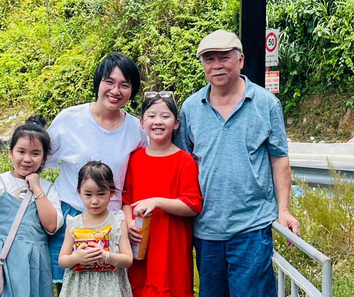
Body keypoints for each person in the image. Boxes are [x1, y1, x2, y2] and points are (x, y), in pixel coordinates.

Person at [174, 29, 300, 297]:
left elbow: (279, 159)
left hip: (252, 227)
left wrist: (284, 210)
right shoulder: (191, 107)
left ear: (240, 60)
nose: (216, 65)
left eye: (223, 57)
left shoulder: (266, 103)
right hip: (206, 228)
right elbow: (181, 163)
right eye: (209, 59)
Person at [46, 53, 148, 290]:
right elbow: (38, 160)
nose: (115, 90)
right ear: (98, 83)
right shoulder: (70, 119)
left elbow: (140, 176)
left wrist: (131, 216)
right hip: (72, 215)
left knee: (108, 286)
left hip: (112, 221)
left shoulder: (136, 129)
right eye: (109, 82)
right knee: (70, 286)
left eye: (124, 85)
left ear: (132, 90)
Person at [0, 115, 62, 297]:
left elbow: (51, 226)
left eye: (35, 153)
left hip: (35, 264)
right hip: (3, 262)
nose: (27, 159)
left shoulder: (49, 189)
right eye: (21, 152)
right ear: (11, 152)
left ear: (43, 158)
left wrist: (37, 189)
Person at [122, 91, 203, 297]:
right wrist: (128, 222)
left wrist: (157, 202)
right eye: (151, 116)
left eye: (165, 116)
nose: (158, 121)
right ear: (142, 123)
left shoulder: (184, 160)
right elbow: (126, 200)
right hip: (140, 244)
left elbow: (193, 205)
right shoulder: (134, 158)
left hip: (171, 245)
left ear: (176, 123)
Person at [58, 161, 134, 297]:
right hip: (79, 288)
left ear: (111, 193)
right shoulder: (74, 223)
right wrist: (77, 257)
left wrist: (106, 256)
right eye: (88, 194)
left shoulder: (117, 222)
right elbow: (63, 260)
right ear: (79, 192)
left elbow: (128, 259)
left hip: (110, 287)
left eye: (101, 194)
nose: (94, 201)